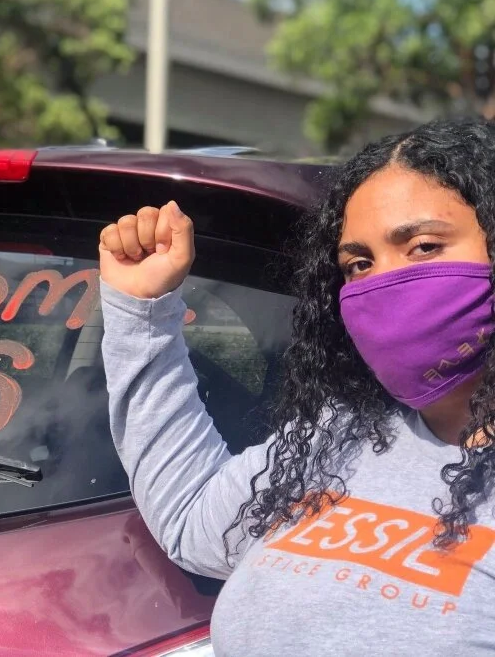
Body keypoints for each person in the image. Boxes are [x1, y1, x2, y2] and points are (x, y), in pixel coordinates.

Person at [98, 117, 495, 655]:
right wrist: (140, 310)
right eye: (358, 263)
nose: (383, 282)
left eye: (424, 247)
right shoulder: (342, 435)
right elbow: (192, 519)